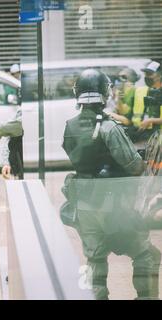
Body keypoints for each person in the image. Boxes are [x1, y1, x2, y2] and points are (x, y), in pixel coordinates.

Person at [61, 69, 161, 300]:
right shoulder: (109, 127)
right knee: (146, 255)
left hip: (84, 205)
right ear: (104, 93)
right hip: (115, 207)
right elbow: (135, 166)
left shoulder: (70, 126)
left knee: (95, 260)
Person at [126, 60, 162, 148]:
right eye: (145, 74)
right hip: (143, 135)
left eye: (150, 74)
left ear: (159, 75)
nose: (146, 77)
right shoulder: (142, 90)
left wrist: (150, 121)